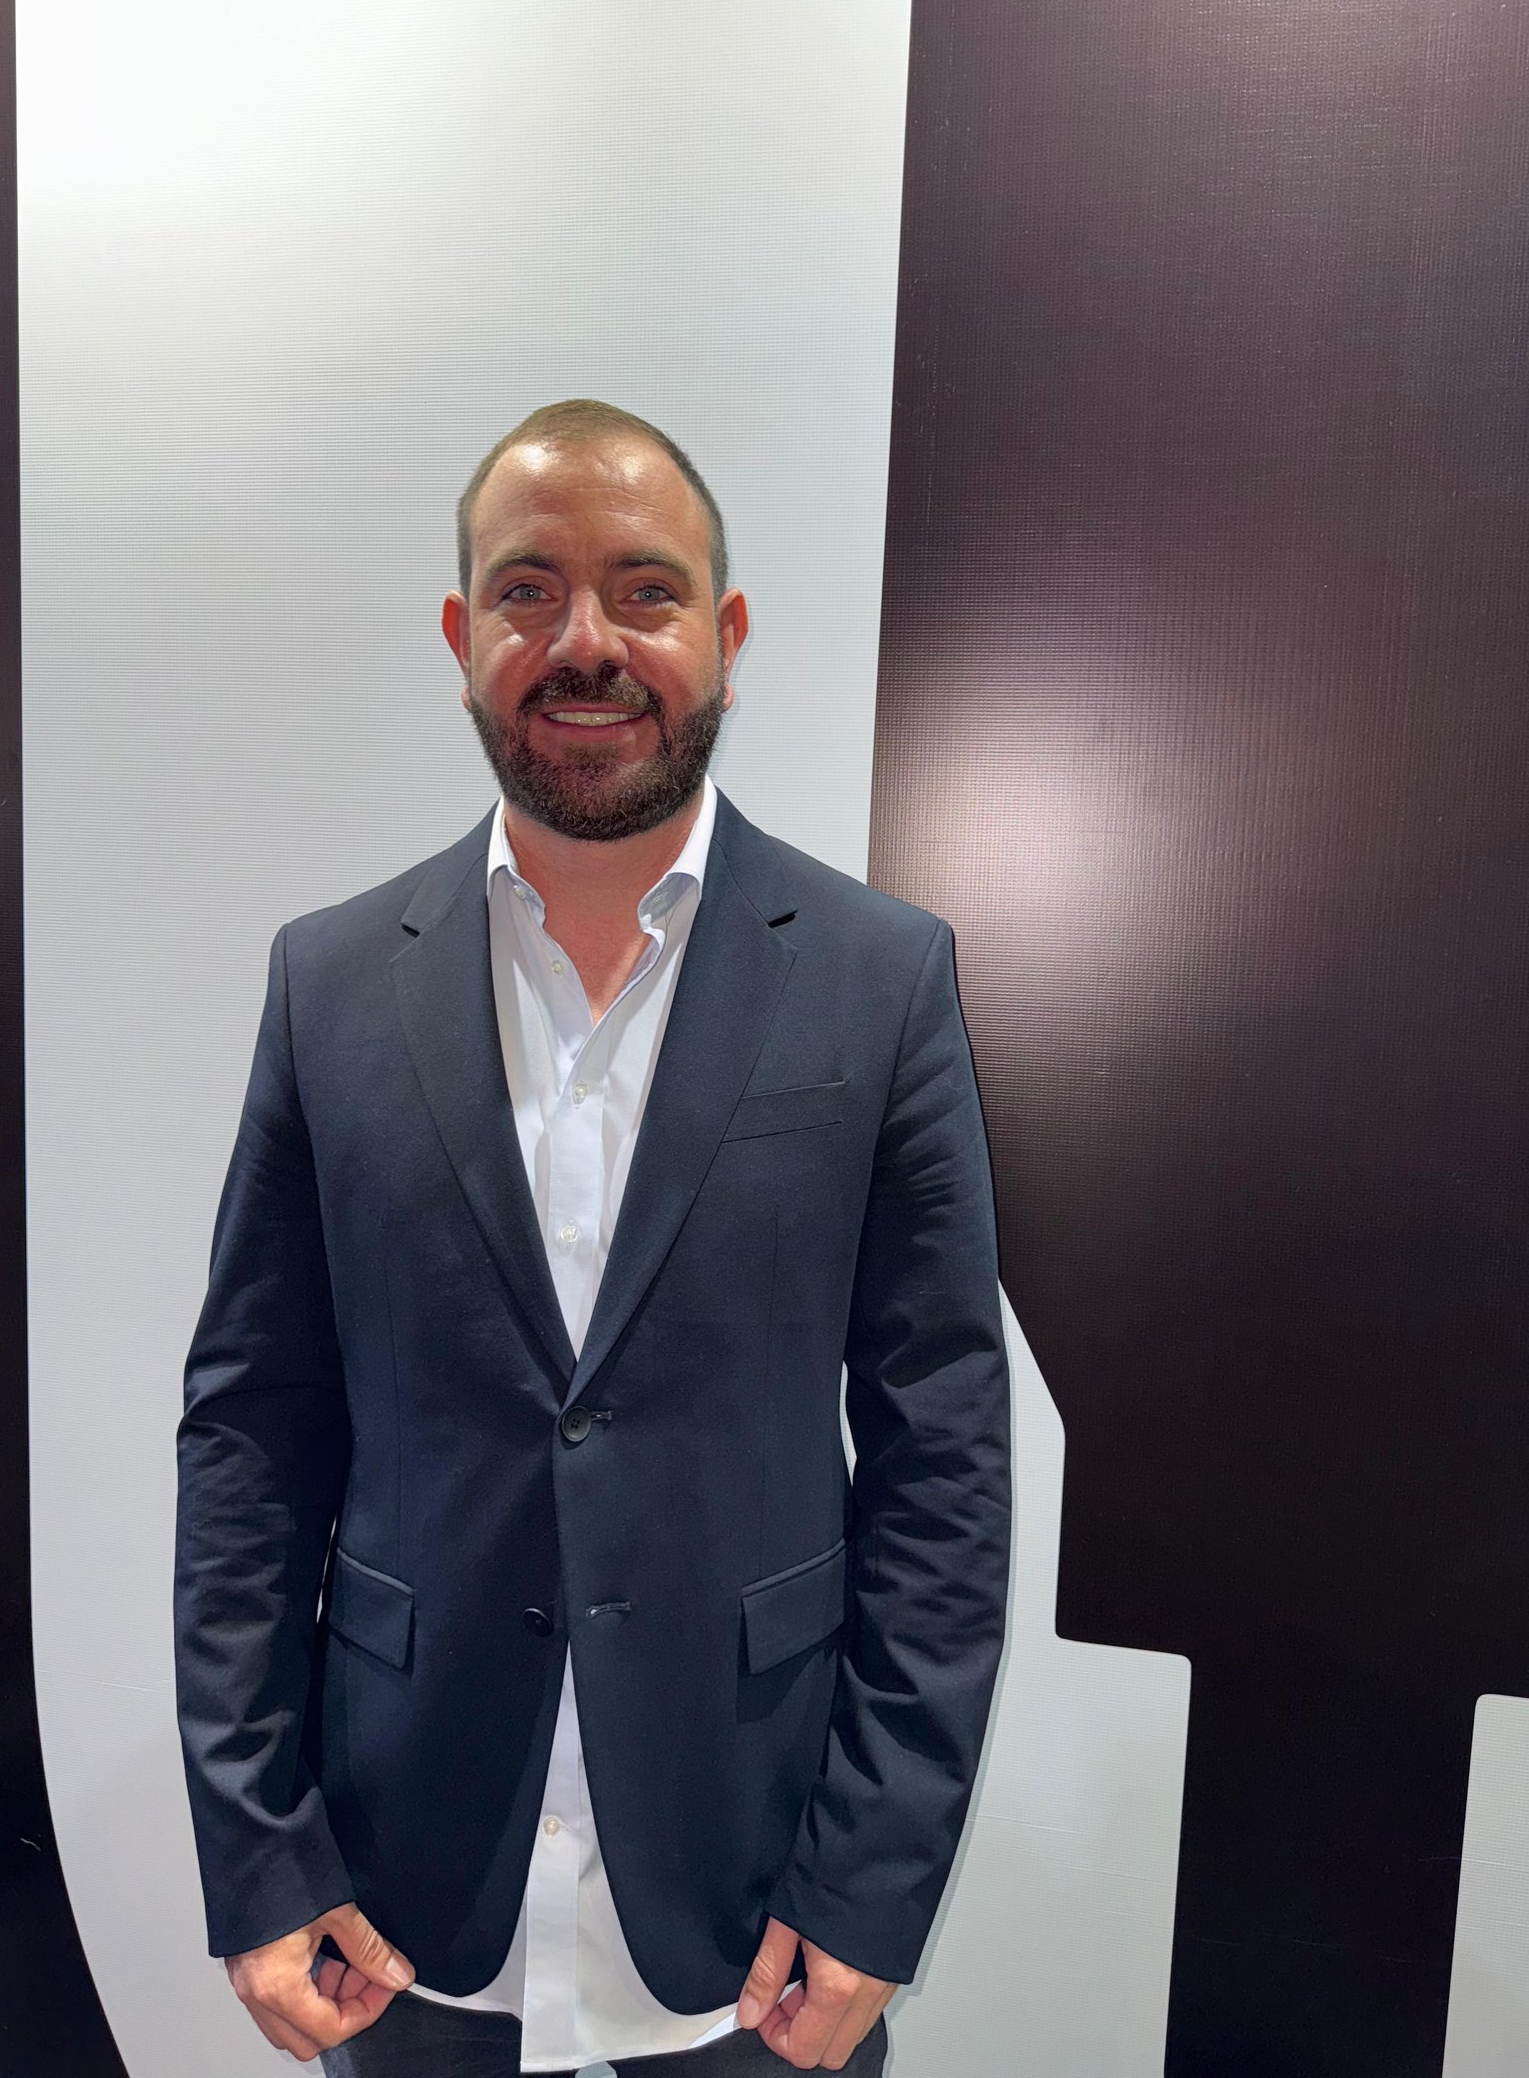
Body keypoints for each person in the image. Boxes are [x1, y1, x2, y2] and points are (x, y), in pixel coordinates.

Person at [174, 399, 1012, 2076]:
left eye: (645, 590)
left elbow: (944, 1465)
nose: (585, 643)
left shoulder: (881, 979)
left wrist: (871, 1887)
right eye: (526, 591)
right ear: (459, 637)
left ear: (727, 634)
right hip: (399, 1907)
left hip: (758, 1909)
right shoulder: (329, 985)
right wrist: (258, 1855)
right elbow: (252, 1436)